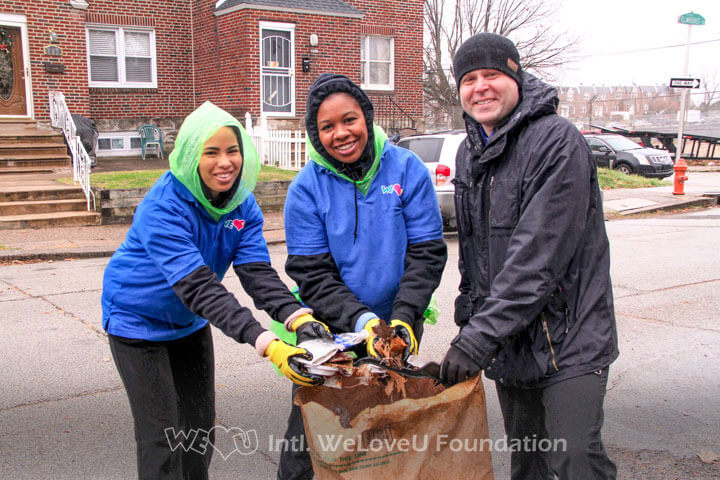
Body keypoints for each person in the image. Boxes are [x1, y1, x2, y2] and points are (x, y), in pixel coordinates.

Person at [101, 101, 326, 480]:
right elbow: (200, 288)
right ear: (192, 155)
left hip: (187, 323)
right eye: (212, 152)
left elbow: (257, 274)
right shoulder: (163, 206)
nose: (225, 162)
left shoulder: (243, 205)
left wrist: (299, 318)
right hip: (136, 322)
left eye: (233, 150)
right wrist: (268, 344)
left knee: (199, 431)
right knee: (162, 439)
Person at [439, 33, 618, 480]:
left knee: (575, 460)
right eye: (469, 78)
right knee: (530, 467)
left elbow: (536, 258)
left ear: (516, 77)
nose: (480, 86)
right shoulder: (468, 153)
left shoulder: (556, 141)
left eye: (492, 75)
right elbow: (475, 258)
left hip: (571, 338)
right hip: (512, 346)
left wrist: (475, 341)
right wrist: (467, 331)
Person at [277, 73, 448, 479]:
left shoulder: (407, 170)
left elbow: (426, 255)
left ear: (367, 118)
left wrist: (402, 320)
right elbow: (312, 275)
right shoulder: (305, 189)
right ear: (316, 135)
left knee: (386, 433)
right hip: (332, 329)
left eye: (349, 119)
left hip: (398, 324)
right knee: (312, 434)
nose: (341, 133)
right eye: (327, 126)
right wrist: (362, 322)